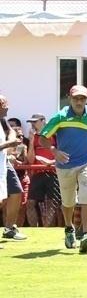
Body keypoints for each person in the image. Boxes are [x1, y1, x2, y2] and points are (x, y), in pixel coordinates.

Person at [42, 84, 87, 253]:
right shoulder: (60, 116)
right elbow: (43, 138)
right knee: (68, 201)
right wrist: (55, 151)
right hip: (65, 164)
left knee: (86, 194)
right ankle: (69, 228)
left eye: (82, 98)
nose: (79, 101)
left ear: (86, 99)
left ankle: (86, 235)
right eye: (76, 98)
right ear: (70, 99)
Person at [0, 95, 26, 241]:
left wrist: (10, 139)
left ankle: (10, 229)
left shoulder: (2, 119)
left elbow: (11, 131)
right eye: (5, 104)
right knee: (1, 199)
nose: (8, 107)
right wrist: (8, 145)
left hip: (4, 161)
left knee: (16, 191)